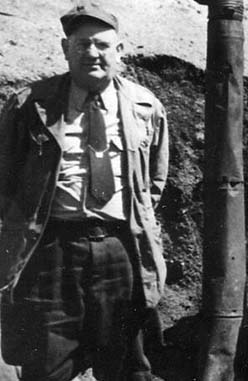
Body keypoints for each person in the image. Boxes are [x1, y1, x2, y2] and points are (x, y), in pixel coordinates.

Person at [0, 4, 168, 380]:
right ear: (65, 49)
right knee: (46, 363)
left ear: (119, 51)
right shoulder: (30, 104)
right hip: (51, 252)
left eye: (103, 45)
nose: (93, 53)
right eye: (82, 45)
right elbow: (5, 181)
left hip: (120, 250)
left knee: (128, 366)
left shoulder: (146, 107)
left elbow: (153, 184)